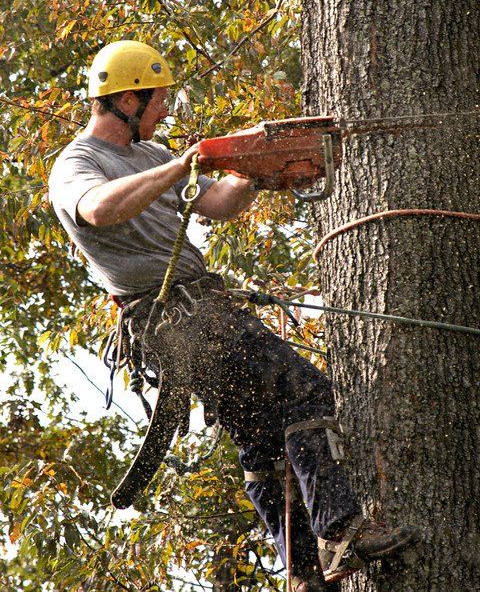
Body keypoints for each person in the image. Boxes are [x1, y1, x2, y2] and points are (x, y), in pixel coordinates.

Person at [49, 40, 419, 591]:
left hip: (201, 312)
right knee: (305, 389)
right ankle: (340, 530)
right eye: (159, 102)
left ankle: (302, 574)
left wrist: (256, 171)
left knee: (261, 434)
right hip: (176, 318)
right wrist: (179, 165)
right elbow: (101, 209)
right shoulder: (79, 164)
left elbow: (216, 206)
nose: (166, 111)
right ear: (128, 99)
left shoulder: (151, 156)